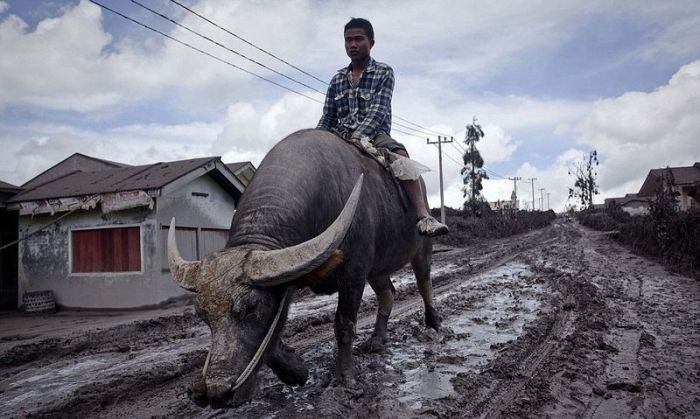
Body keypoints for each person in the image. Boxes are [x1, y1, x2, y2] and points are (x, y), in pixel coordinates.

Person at [317, 17, 448, 237]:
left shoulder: (384, 72)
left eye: (358, 39)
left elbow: (378, 111)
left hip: (375, 135)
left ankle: (423, 215)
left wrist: (357, 138)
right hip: (339, 137)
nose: (353, 45)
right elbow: (327, 118)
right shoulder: (337, 79)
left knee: (402, 159)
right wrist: (316, 142)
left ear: (371, 42)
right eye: (348, 40)